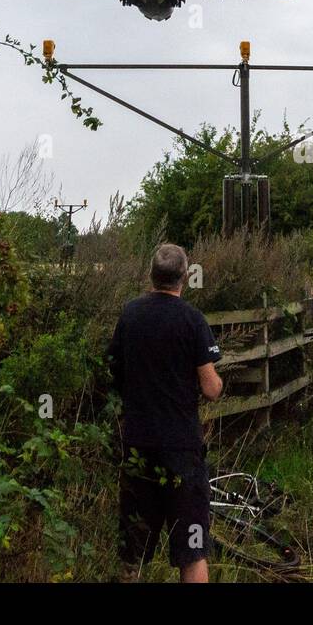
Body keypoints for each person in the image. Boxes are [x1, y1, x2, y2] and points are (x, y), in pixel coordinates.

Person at [108, 243, 224, 582]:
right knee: (192, 549)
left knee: (133, 551)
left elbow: (114, 369)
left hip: (138, 446)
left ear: (151, 275)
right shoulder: (192, 319)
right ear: (184, 278)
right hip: (181, 451)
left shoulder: (130, 314)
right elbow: (211, 388)